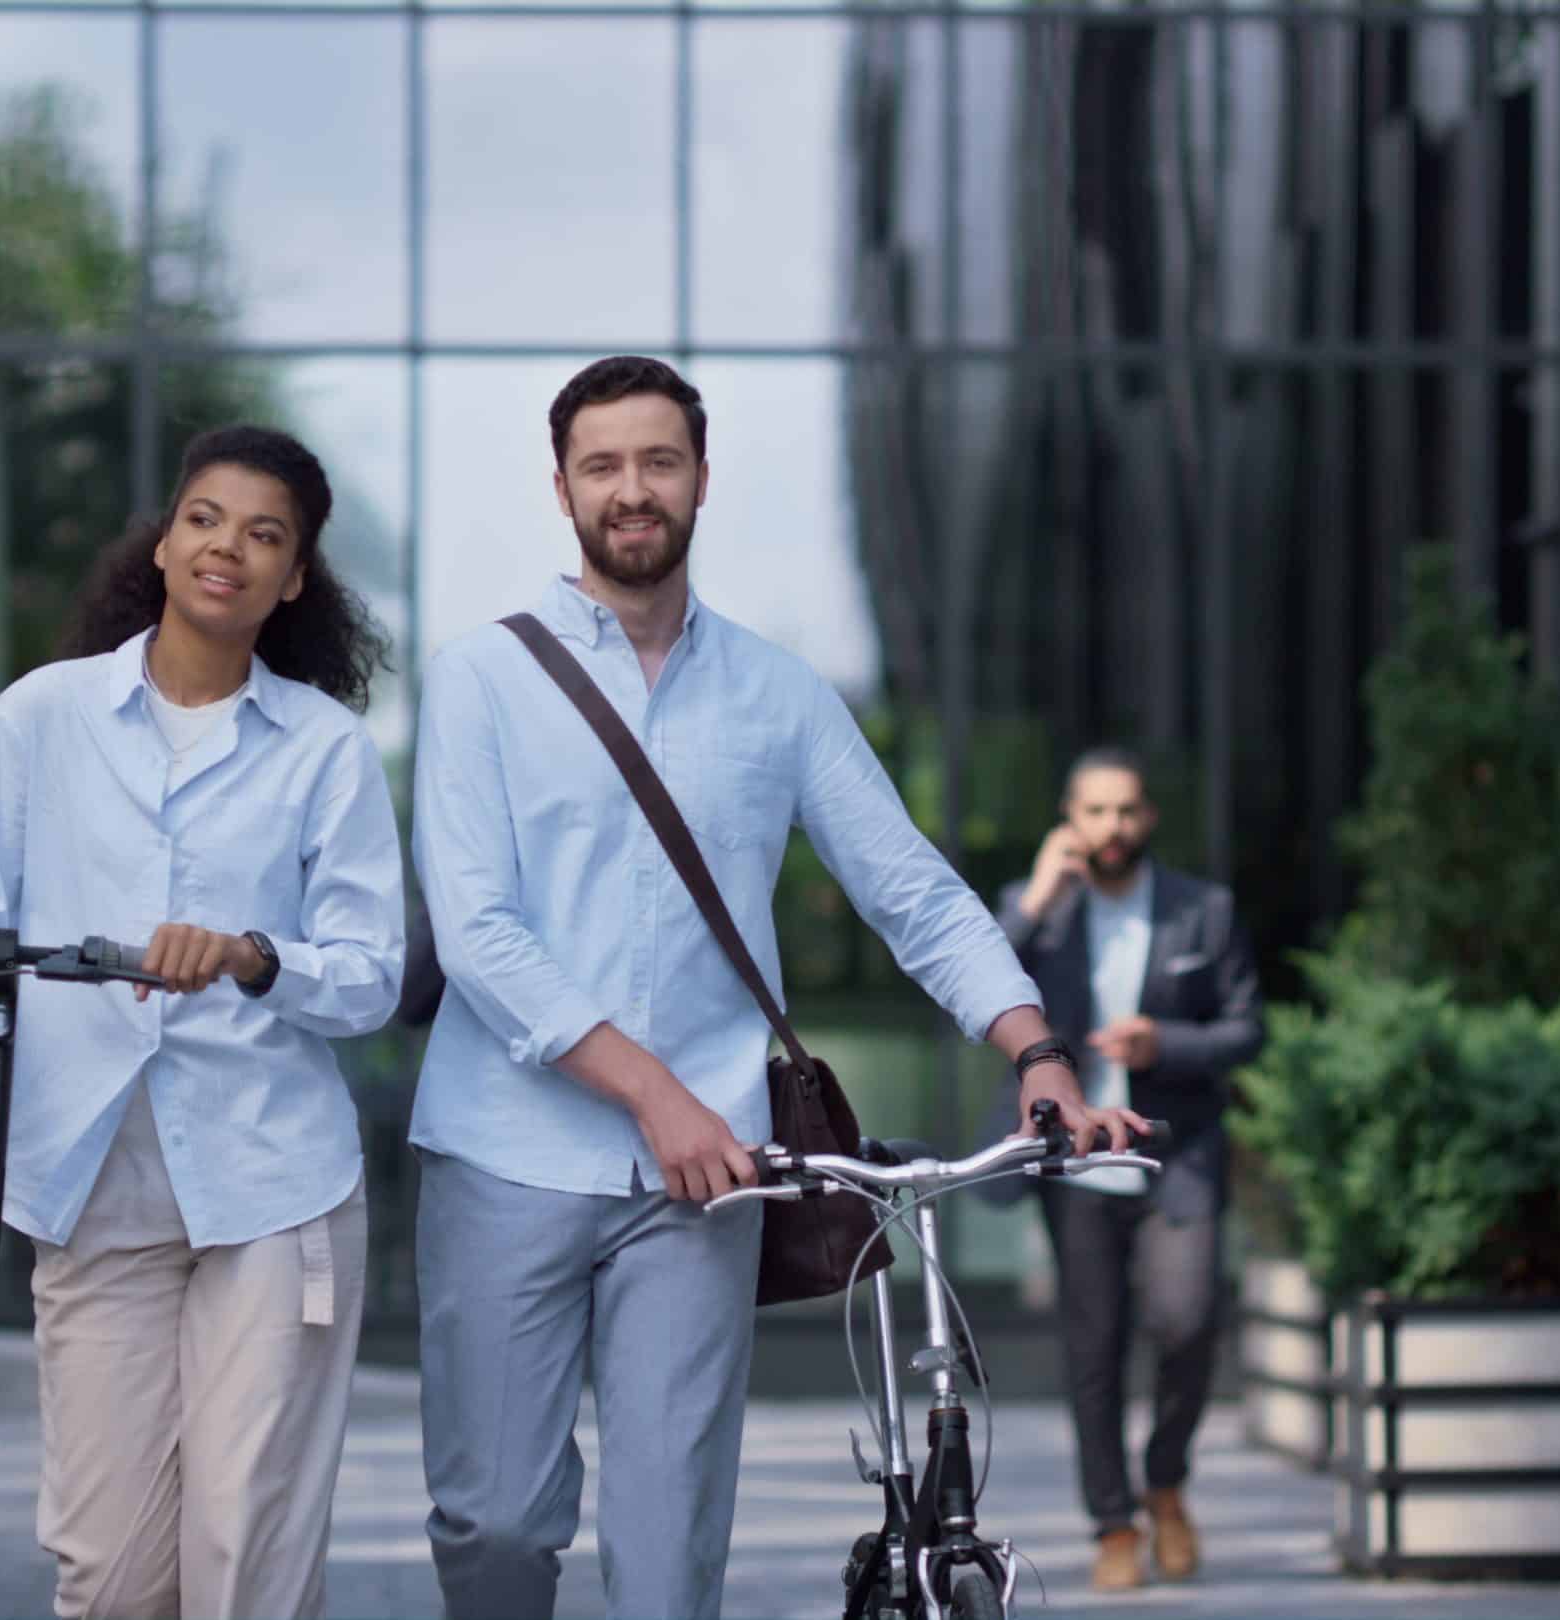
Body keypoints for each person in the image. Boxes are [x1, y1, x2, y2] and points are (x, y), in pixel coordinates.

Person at [406, 355, 1146, 1620]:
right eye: (603, 466)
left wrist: (1037, 1050)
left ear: (699, 479)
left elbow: (910, 890)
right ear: (562, 488)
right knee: (497, 1526)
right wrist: (653, 1095)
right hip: (505, 1156)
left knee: (671, 1548)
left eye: (658, 461)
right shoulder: (482, 678)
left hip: (707, 1186)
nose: (631, 490)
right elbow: (477, 932)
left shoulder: (776, 693)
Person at [0, 426, 404, 1620]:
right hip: (91, 1183)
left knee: (244, 1564)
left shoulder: (327, 752)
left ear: (296, 580)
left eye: (264, 534)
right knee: (112, 1576)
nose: (226, 547)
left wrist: (249, 955)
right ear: (166, 538)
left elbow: (371, 977)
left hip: (273, 1188)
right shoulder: (43, 717)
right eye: (205, 518)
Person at [995, 747, 1264, 1589]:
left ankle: (1167, 1483)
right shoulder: (1037, 912)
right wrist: (1035, 898)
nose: (1112, 828)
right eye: (1094, 812)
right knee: (1094, 1348)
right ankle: (1114, 1526)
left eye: (1126, 811)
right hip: (1077, 1163)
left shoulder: (1203, 912)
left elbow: (1246, 1031)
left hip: (1173, 1154)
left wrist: (1165, 1044)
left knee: (1186, 1324)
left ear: (1147, 818)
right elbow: (971, 991)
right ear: (1069, 821)